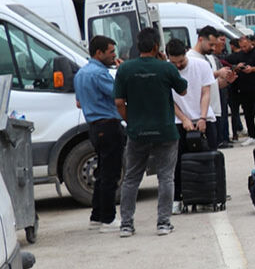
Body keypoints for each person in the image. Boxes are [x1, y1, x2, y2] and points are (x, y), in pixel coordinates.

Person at [113, 28, 187, 238]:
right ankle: (163, 223)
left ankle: (126, 225)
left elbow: (119, 102)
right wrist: (166, 64)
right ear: (156, 46)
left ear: (138, 46)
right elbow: (182, 90)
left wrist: (131, 121)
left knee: (131, 178)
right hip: (165, 131)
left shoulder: (125, 69)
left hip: (137, 132)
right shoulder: (166, 68)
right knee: (166, 177)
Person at [73, 35, 125, 231]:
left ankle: (97, 215)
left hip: (94, 127)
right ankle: (108, 219)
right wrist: (122, 73)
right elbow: (118, 95)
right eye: (111, 52)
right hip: (108, 125)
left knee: (102, 171)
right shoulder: (99, 74)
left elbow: (79, 102)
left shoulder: (81, 74)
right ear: (98, 53)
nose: (114, 56)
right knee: (111, 173)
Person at [167, 38, 214, 209]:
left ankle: (207, 197)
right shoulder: (166, 70)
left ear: (186, 53)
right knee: (177, 163)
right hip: (178, 121)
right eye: (174, 63)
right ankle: (178, 198)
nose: (178, 65)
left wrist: (202, 117)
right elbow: (168, 99)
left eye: (181, 61)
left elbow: (206, 92)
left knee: (206, 161)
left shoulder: (201, 65)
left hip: (204, 118)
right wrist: (184, 119)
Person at [227, 34, 255, 143]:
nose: (244, 49)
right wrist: (237, 67)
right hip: (244, 88)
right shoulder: (239, 55)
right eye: (241, 47)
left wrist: (252, 69)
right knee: (248, 113)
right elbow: (231, 65)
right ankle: (252, 135)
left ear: (250, 43)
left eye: (245, 46)